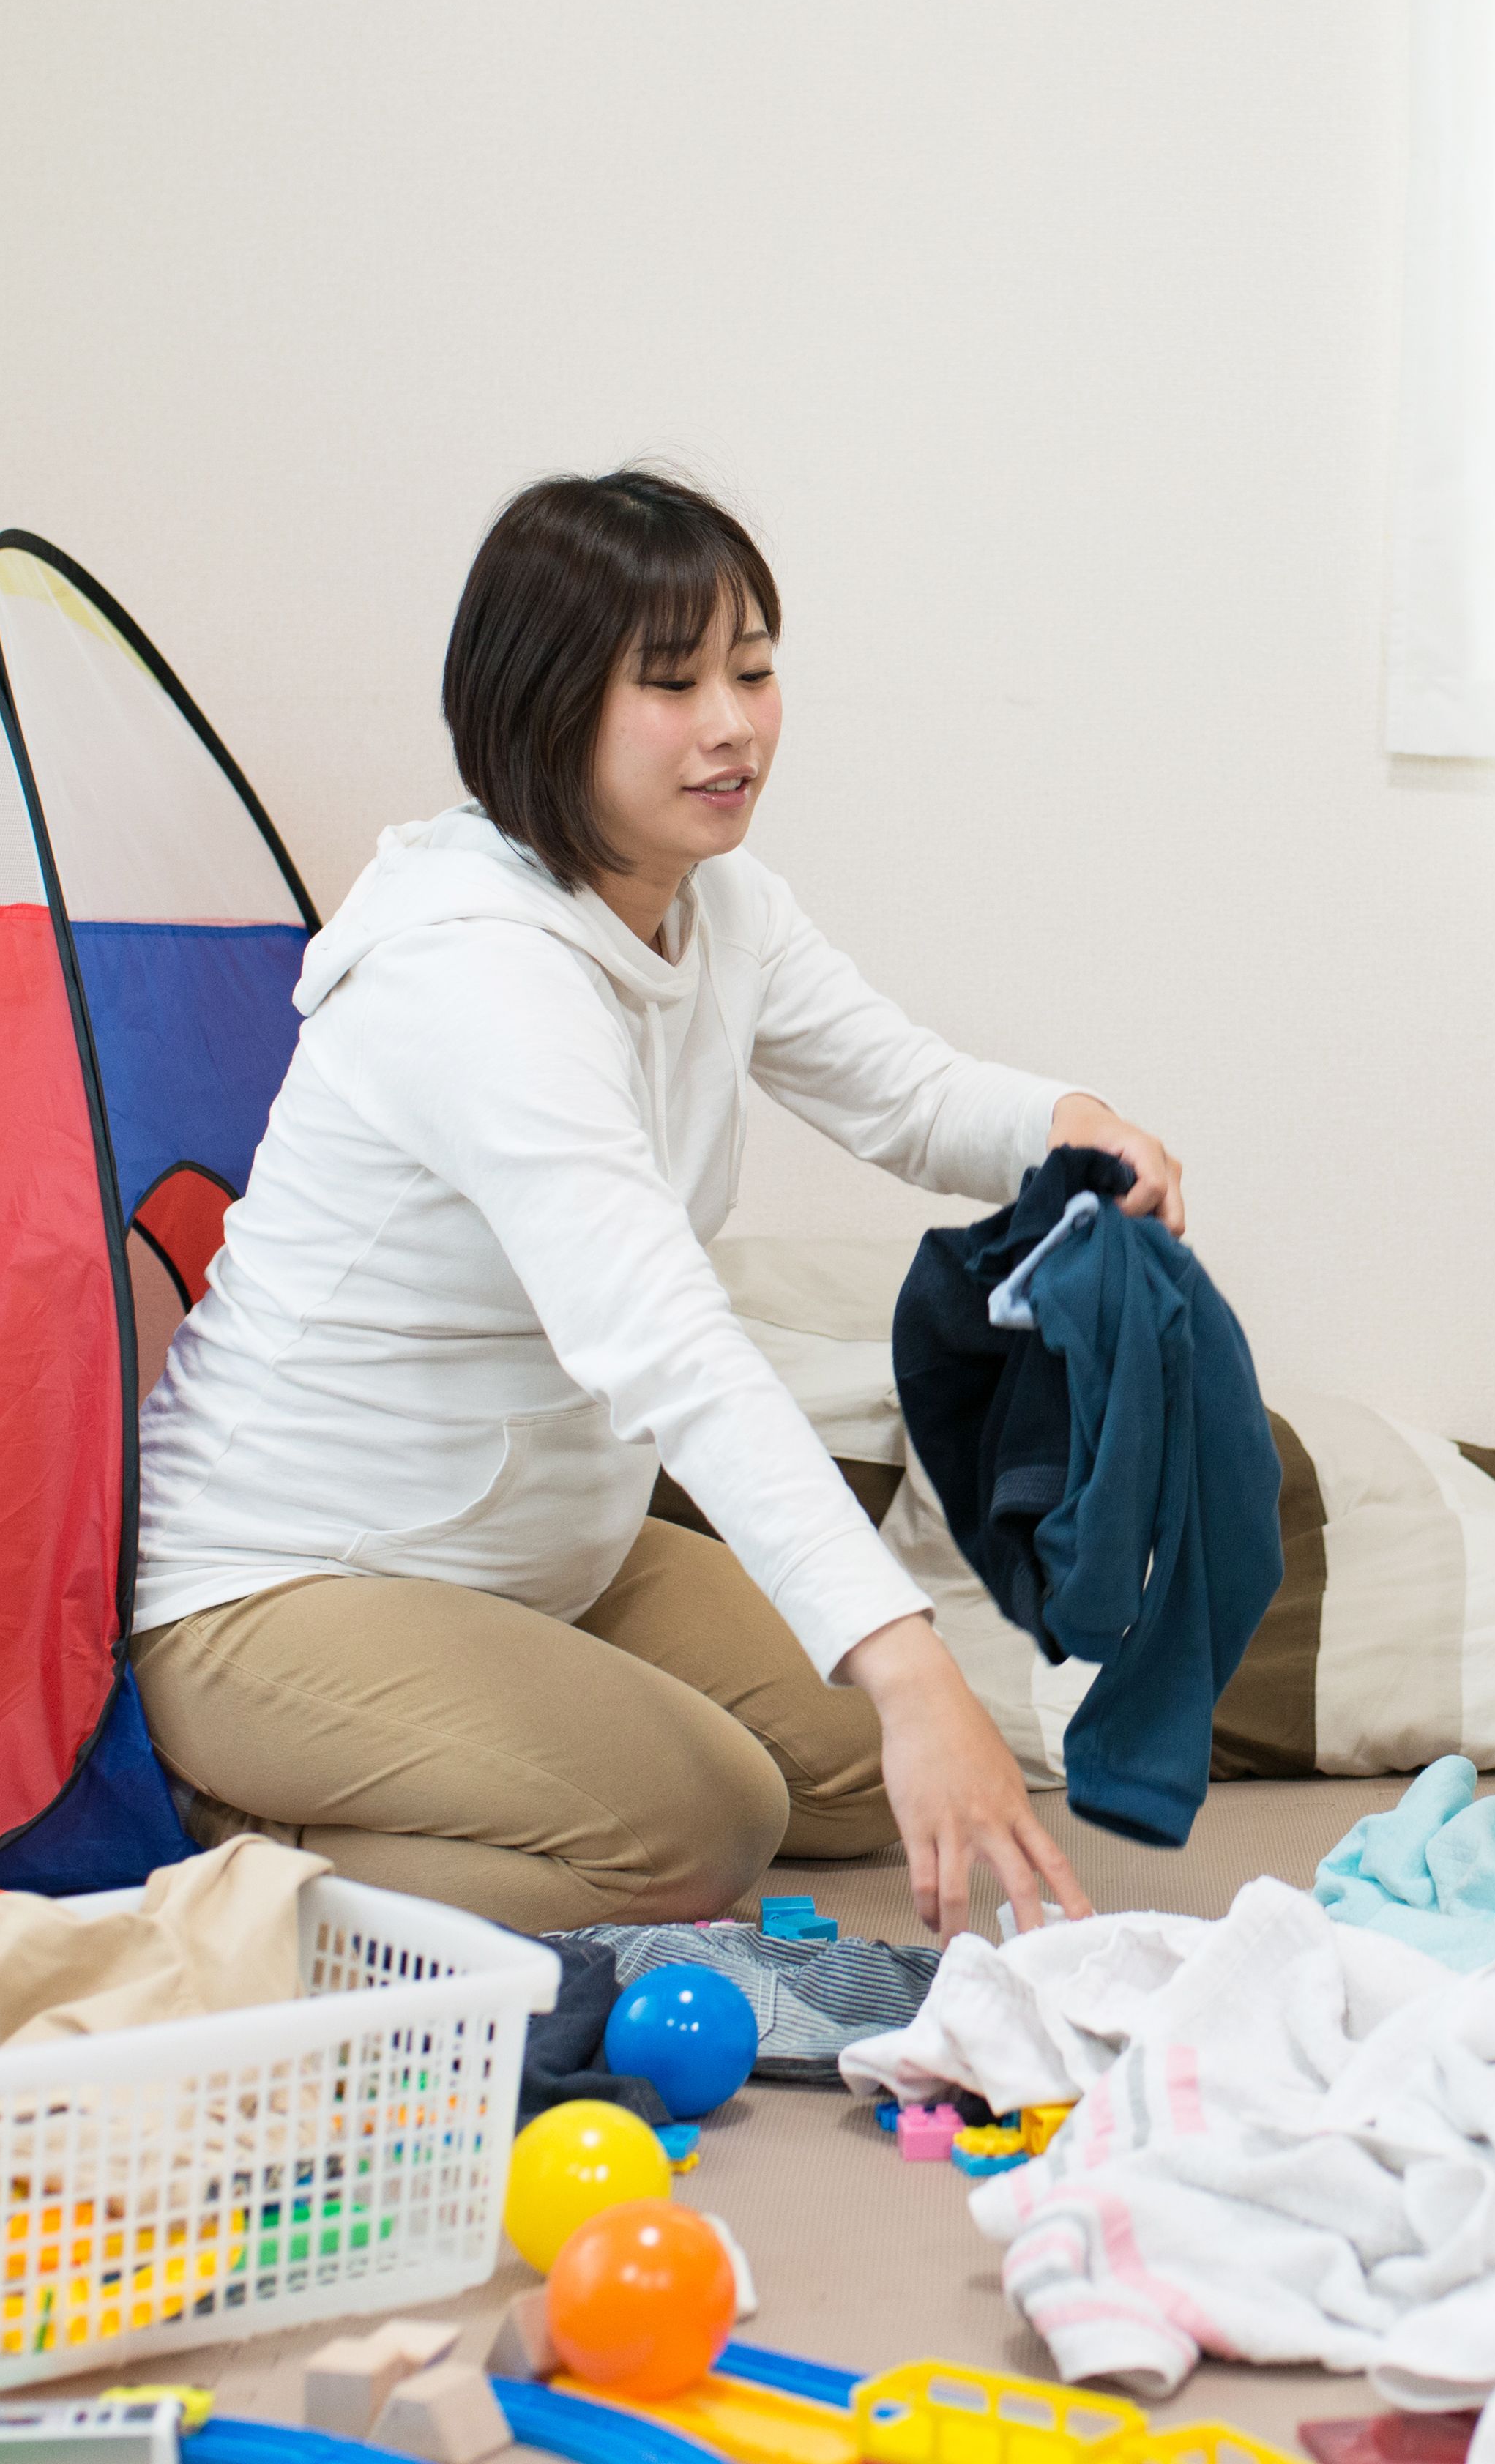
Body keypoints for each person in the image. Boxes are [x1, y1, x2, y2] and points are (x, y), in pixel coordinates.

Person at [130, 466, 1179, 1940]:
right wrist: (905, 1661)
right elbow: (668, 1342)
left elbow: (906, 1090)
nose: (733, 723)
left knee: (850, 1775)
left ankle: (482, 1758)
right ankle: (218, 1838)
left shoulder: (717, 901)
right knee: (706, 1829)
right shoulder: (475, 974)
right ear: (545, 702)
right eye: (673, 682)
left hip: (538, 1560)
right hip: (288, 1579)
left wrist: (1068, 1126)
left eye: (753, 669)